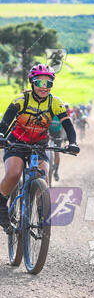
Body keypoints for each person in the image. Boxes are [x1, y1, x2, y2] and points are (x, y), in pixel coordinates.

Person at [0, 64, 80, 229]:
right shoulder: (21, 100)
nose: (44, 87)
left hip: (40, 145)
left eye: (48, 83)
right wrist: (1, 135)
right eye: (39, 82)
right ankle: (1, 204)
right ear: (32, 83)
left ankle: (41, 213)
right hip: (16, 143)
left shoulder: (55, 103)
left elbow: (68, 126)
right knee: (14, 173)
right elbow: (5, 122)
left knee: (43, 178)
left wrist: (72, 142)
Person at [48, 114, 63, 181]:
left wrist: (63, 137)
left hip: (57, 136)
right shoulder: (49, 114)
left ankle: (56, 172)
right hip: (49, 135)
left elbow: (63, 127)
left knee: (57, 153)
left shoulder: (60, 116)